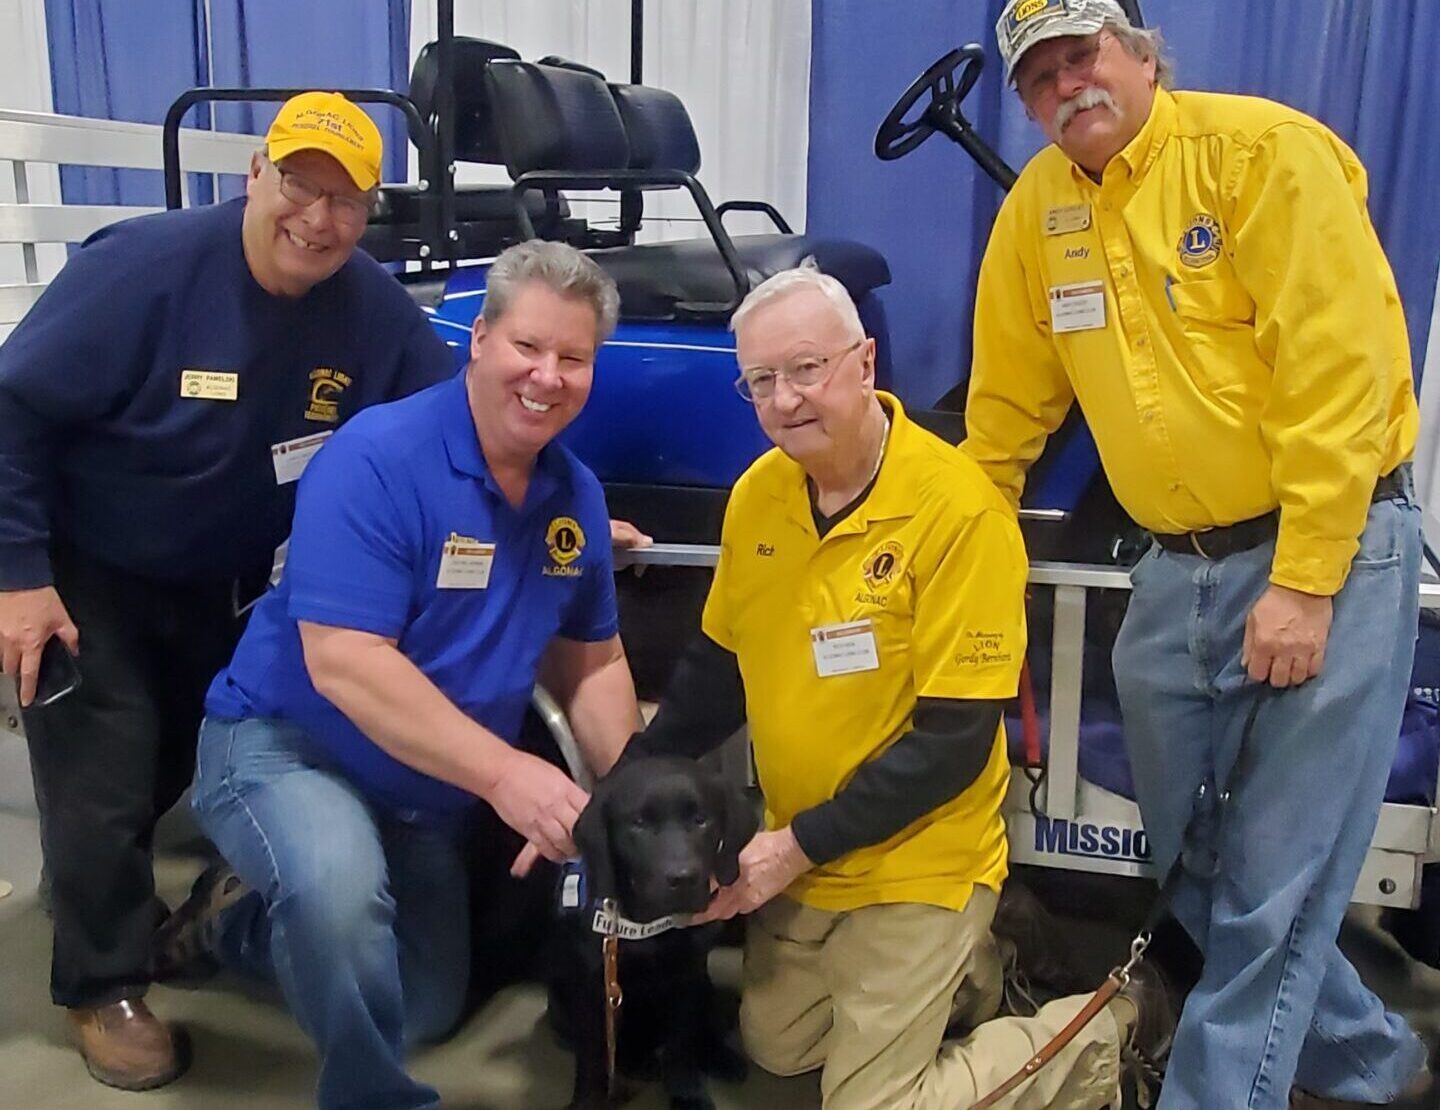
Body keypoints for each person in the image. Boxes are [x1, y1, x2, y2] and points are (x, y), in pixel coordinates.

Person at [963, 2, 1431, 1107]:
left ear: (1141, 55)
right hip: (1173, 570)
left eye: (1086, 54)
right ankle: (1373, 1066)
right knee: (1195, 861)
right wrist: (958, 576)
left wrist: (1307, 581)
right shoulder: (1037, 215)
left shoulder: (1263, 156)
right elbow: (1000, 421)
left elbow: (1339, 375)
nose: (1068, 85)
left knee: (1275, 884)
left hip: (1329, 545)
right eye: (1041, 76)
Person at [621, 262, 1172, 1109]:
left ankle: (1107, 1027)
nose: (786, 400)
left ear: (866, 362)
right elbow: (715, 673)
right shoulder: (757, 497)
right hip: (812, 860)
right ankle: (978, 974)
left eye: (807, 369)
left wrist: (790, 846)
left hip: (919, 859)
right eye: (761, 381)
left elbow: (951, 746)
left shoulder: (961, 512)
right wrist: (614, 783)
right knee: (777, 1051)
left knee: (870, 1106)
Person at [0, 91, 457, 1090]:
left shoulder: (368, 306)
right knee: (104, 781)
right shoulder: (143, 273)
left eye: (346, 200)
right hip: (95, 571)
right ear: (256, 175)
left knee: (175, 765)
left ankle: (112, 894)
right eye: (301, 183)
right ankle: (102, 983)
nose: (318, 217)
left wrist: (559, 507)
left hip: (234, 583)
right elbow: (12, 403)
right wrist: (18, 577)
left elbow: (454, 420)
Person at [153, 240, 641, 1110]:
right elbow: (344, 662)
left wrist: (635, 790)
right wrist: (504, 773)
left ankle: (233, 923)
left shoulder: (576, 498)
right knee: (339, 896)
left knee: (419, 1007)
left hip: (426, 787)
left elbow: (592, 661)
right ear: (480, 338)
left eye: (574, 358)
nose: (547, 376)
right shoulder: (376, 459)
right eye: (528, 347)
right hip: (289, 745)